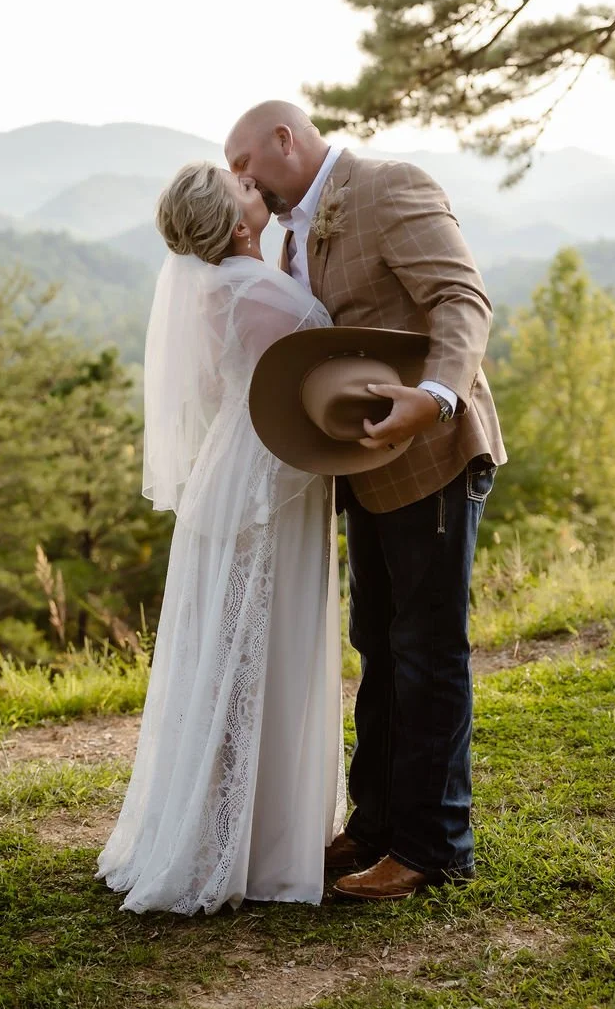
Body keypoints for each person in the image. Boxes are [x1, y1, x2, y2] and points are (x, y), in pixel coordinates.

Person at [225, 102, 506, 902]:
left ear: (287, 138)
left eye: (248, 164)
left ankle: (434, 845)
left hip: (433, 456)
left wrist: (438, 395)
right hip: (366, 473)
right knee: (378, 644)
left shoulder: (389, 185)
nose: (244, 182)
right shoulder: (290, 232)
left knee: (426, 649)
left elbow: (462, 299)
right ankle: (377, 823)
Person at [96, 161, 345, 914]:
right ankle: (252, 840)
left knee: (226, 653)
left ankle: (220, 824)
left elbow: (215, 392)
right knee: (261, 649)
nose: (253, 185)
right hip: (269, 479)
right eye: (241, 189)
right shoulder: (260, 289)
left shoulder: (209, 291)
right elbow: (323, 358)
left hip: (226, 472)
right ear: (239, 224)